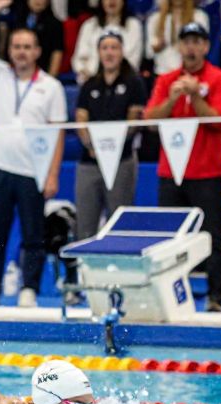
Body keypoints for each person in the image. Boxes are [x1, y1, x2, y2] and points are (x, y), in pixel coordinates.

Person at [0, 0, 67, 309]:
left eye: (27, 46)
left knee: (33, 236)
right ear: (9, 50)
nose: (22, 51)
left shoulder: (51, 87)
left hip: (33, 171)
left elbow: (58, 134)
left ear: (38, 51)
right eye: (17, 46)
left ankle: (29, 289)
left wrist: (52, 174)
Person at [144, 23, 221, 312]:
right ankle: (170, 296)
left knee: (212, 236)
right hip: (171, 172)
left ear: (206, 47)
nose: (191, 48)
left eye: (197, 42)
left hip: (207, 172)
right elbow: (149, 120)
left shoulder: (219, 79)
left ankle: (216, 297)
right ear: (179, 47)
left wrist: (195, 96)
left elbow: (219, 121)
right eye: (186, 42)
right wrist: (172, 97)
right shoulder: (167, 80)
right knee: (169, 240)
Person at [73, 29, 146, 290]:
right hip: (88, 162)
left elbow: (134, 121)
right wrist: (92, 145)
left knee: (118, 222)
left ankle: (117, 282)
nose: (109, 52)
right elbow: (80, 119)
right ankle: (87, 283)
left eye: (114, 47)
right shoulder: (90, 85)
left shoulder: (134, 83)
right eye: (105, 48)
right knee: (86, 224)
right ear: (99, 52)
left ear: (122, 52)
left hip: (122, 161)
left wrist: (110, 148)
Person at [72, 0, 143, 82]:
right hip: (90, 80)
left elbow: (133, 62)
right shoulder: (89, 25)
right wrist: (85, 72)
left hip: (123, 81)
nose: (112, 1)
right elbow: (78, 60)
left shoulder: (133, 25)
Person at [147, 0, 209, 74]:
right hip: (162, 72)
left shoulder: (199, 16)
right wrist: (158, 46)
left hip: (191, 73)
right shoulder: (155, 18)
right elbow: (149, 53)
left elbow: (203, 46)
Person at [15, 0, 66, 76]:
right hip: (17, 73)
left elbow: (57, 53)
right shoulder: (18, 20)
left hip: (43, 73)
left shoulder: (55, 24)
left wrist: (50, 79)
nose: (37, 1)